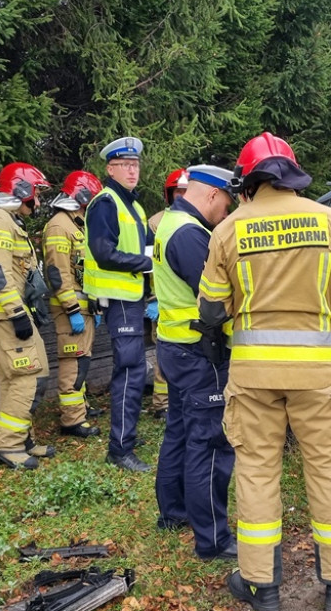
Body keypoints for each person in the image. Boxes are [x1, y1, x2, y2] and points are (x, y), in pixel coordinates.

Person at [198, 132, 331, 611]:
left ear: (248, 182)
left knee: (256, 473)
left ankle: (260, 586)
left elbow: (211, 311)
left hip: (253, 378)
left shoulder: (229, 230)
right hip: (318, 377)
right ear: (293, 175)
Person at [153, 165, 238, 560]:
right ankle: (214, 540)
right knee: (209, 442)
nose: (226, 210)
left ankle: (174, 514)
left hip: (177, 347)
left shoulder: (171, 223)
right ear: (209, 196)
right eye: (225, 202)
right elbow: (214, 300)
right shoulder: (191, 235)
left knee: (181, 433)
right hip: (198, 351)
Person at [0, 163, 55, 469]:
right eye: (36, 193)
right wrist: (17, 313)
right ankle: (7, 445)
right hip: (7, 315)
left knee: (29, 376)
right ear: (22, 191)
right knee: (26, 378)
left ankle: (22, 438)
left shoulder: (8, 221)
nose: (38, 200)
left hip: (13, 313)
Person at [83, 136, 153, 472]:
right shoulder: (105, 202)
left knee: (133, 370)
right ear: (110, 168)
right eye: (125, 165)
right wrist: (144, 264)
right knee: (130, 372)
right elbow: (103, 252)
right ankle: (120, 449)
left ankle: (126, 436)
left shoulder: (134, 206)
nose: (132, 170)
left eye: (135, 164)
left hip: (133, 300)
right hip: (120, 302)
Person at [44, 171, 103, 439]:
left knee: (83, 362)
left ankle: (80, 408)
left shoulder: (76, 224)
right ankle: (72, 421)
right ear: (80, 196)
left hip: (83, 309)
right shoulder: (59, 226)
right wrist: (71, 309)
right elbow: (57, 274)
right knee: (73, 363)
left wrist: (95, 306)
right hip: (71, 312)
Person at [145, 169, 190, 420]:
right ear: (169, 194)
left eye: (186, 191)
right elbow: (150, 264)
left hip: (188, 301)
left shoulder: (198, 219)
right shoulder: (155, 222)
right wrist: (152, 300)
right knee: (164, 353)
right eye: (178, 192)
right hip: (161, 300)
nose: (182, 196)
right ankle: (162, 404)